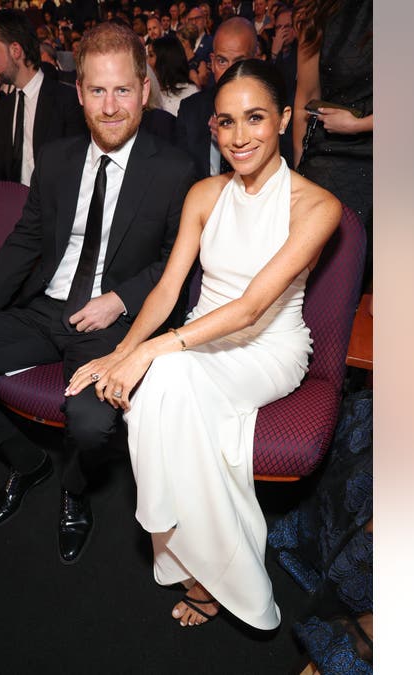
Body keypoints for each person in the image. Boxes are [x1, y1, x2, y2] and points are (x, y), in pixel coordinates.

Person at [65, 59, 340, 629]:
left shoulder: (317, 206)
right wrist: (123, 352)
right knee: (160, 380)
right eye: (226, 122)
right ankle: (206, 567)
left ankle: (183, 552)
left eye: (256, 118)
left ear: (285, 118)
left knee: (159, 377)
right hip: (198, 337)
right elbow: (168, 291)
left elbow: (252, 307)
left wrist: (149, 353)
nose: (240, 137)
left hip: (269, 347)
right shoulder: (204, 194)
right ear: (212, 127)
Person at [0, 22, 196, 564]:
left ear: (145, 90)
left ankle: (74, 487)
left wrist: (119, 300)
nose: (111, 106)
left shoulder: (175, 171)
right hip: (43, 307)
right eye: (98, 90)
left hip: (113, 322)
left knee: (93, 425)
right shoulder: (57, 157)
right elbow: (25, 240)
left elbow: (179, 263)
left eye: (123, 89)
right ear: (80, 93)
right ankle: (28, 463)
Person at [292, 0, 371, 288]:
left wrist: (361, 124)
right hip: (330, 152)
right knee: (320, 281)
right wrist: (302, 167)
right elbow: (307, 95)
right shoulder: (318, 12)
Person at [0, 10, 86, 184]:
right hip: (12, 206)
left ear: (15, 50)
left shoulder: (67, 101)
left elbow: (76, 172)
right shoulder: (1, 107)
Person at [173, 16, 258, 177]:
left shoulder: (270, 113)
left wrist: (234, 144)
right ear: (212, 62)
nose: (230, 73)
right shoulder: (190, 110)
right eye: (222, 61)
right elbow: (180, 178)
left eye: (239, 62)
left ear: (255, 60)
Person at [150, 35, 199, 115]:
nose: (147, 60)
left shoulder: (190, 93)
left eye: (151, 55)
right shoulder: (149, 94)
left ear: (165, 60)